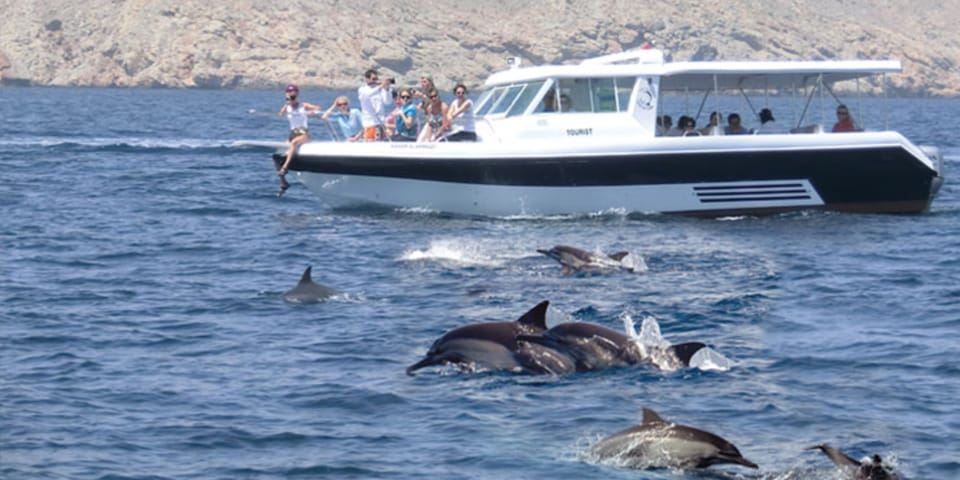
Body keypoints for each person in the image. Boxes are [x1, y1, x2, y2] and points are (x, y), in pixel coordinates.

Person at [276, 84, 320, 196]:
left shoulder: (303, 105)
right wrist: (287, 103)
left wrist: (311, 112)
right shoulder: (287, 107)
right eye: (289, 92)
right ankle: (283, 182)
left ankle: (285, 167)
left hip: (303, 133)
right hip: (292, 133)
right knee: (278, 152)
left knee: (294, 144)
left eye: (293, 92)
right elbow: (280, 114)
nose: (292, 94)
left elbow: (317, 108)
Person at [357, 68, 393, 141]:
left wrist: (387, 89)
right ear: (367, 79)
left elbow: (388, 102)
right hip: (370, 123)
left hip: (381, 123)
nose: (375, 81)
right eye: (373, 79)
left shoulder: (380, 89)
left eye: (376, 78)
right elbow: (368, 95)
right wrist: (380, 86)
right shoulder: (362, 89)